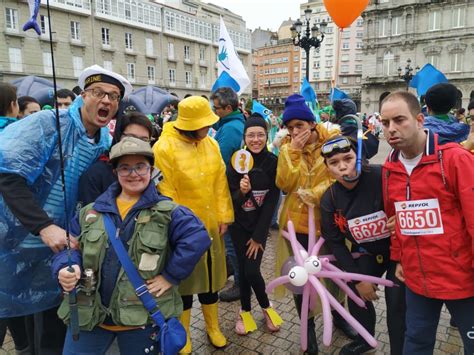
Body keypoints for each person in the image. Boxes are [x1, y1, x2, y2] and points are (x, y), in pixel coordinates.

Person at [0, 64, 132, 354]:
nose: (106, 101)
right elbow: (7, 174)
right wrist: (44, 226)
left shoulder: (105, 143)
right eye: (98, 92)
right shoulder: (48, 123)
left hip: (59, 250)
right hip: (15, 243)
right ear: (83, 96)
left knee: (49, 328)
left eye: (114, 96)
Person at [51, 137, 210, 353]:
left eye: (140, 167)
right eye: (125, 168)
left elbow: (198, 237)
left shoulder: (167, 211)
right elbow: (69, 248)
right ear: (115, 172)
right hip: (91, 316)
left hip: (141, 319)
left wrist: (171, 276)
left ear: (151, 170)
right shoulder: (90, 211)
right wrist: (65, 268)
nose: (133, 174)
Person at [380, 91, 474, 354]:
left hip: (462, 277)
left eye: (399, 120)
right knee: (416, 343)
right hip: (417, 277)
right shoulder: (390, 167)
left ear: (420, 119)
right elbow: (397, 219)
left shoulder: (454, 159)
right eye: (385, 123)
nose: (392, 129)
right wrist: (398, 257)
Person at [275, 94, 356, 355]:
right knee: (300, 280)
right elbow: (285, 184)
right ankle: (306, 329)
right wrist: (294, 154)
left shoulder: (332, 142)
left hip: (328, 224)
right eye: (290, 127)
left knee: (335, 277)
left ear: (311, 123)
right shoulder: (288, 148)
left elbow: (343, 174)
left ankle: (340, 316)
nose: (294, 131)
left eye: (299, 125)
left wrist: (318, 193)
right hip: (295, 226)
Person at [153, 96, 233, 353]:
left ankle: (213, 326)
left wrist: (223, 216)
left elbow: (220, 182)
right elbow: (166, 193)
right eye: (204, 124)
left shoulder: (211, 144)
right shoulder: (164, 148)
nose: (209, 128)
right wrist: (181, 228)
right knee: (184, 282)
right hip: (183, 231)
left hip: (211, 226)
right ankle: (183, 332)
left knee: (211, 280)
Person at [320, 136, 404, 355]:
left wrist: (402, 217)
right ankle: (365, 340)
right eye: (334, 162)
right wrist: (357, 279)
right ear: (327, 168)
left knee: (396, 303)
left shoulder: (382, 175)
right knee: (356, 295)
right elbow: (336, 243)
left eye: (348, 158)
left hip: (398, 252)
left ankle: (400, 349)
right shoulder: (329, 198)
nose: (343, 166)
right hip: (366, 252)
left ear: (360, 157)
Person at [227, 114, 283, 335]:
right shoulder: (236, 161)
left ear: (266, 135)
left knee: (251, 270)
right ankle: (245, 311)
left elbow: (272, 202)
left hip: (257, 228)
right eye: (251, 135)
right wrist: (241, 192)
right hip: (238, 226)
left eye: (260, 134)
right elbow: (230, 200)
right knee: (242, 271)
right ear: (245, 137)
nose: (256, 139)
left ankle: (267, 308)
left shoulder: (273, 163)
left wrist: (260, 236)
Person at [210, 87, 245, 303]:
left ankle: (241, 285)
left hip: (230, 193)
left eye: (216, 108)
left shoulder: (231, 129)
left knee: (232, 242)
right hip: (231, 191)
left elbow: (219, 164)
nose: (214, 112)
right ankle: (232, 270)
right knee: (230, 242)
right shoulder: (228, 124)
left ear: (228, 108)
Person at [77, 111, 154, 207]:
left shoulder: (149, 172)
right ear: (118, 136)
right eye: (130, 137)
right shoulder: (95, 174)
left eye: (144, 140)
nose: (136, 144)